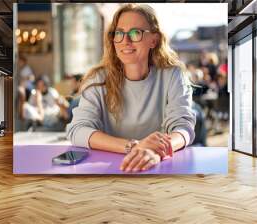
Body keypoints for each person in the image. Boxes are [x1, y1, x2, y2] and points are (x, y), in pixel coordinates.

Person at [66, 3, 196, 173]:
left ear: (154, 40)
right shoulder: (97, 79)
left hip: (159, 167)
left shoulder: (173, 75)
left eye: (136, 33)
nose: (125, 41)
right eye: (119, 33)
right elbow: (78, 130)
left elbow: (183, 128)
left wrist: (154, 151)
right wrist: (134, 146)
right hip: (107, 170)